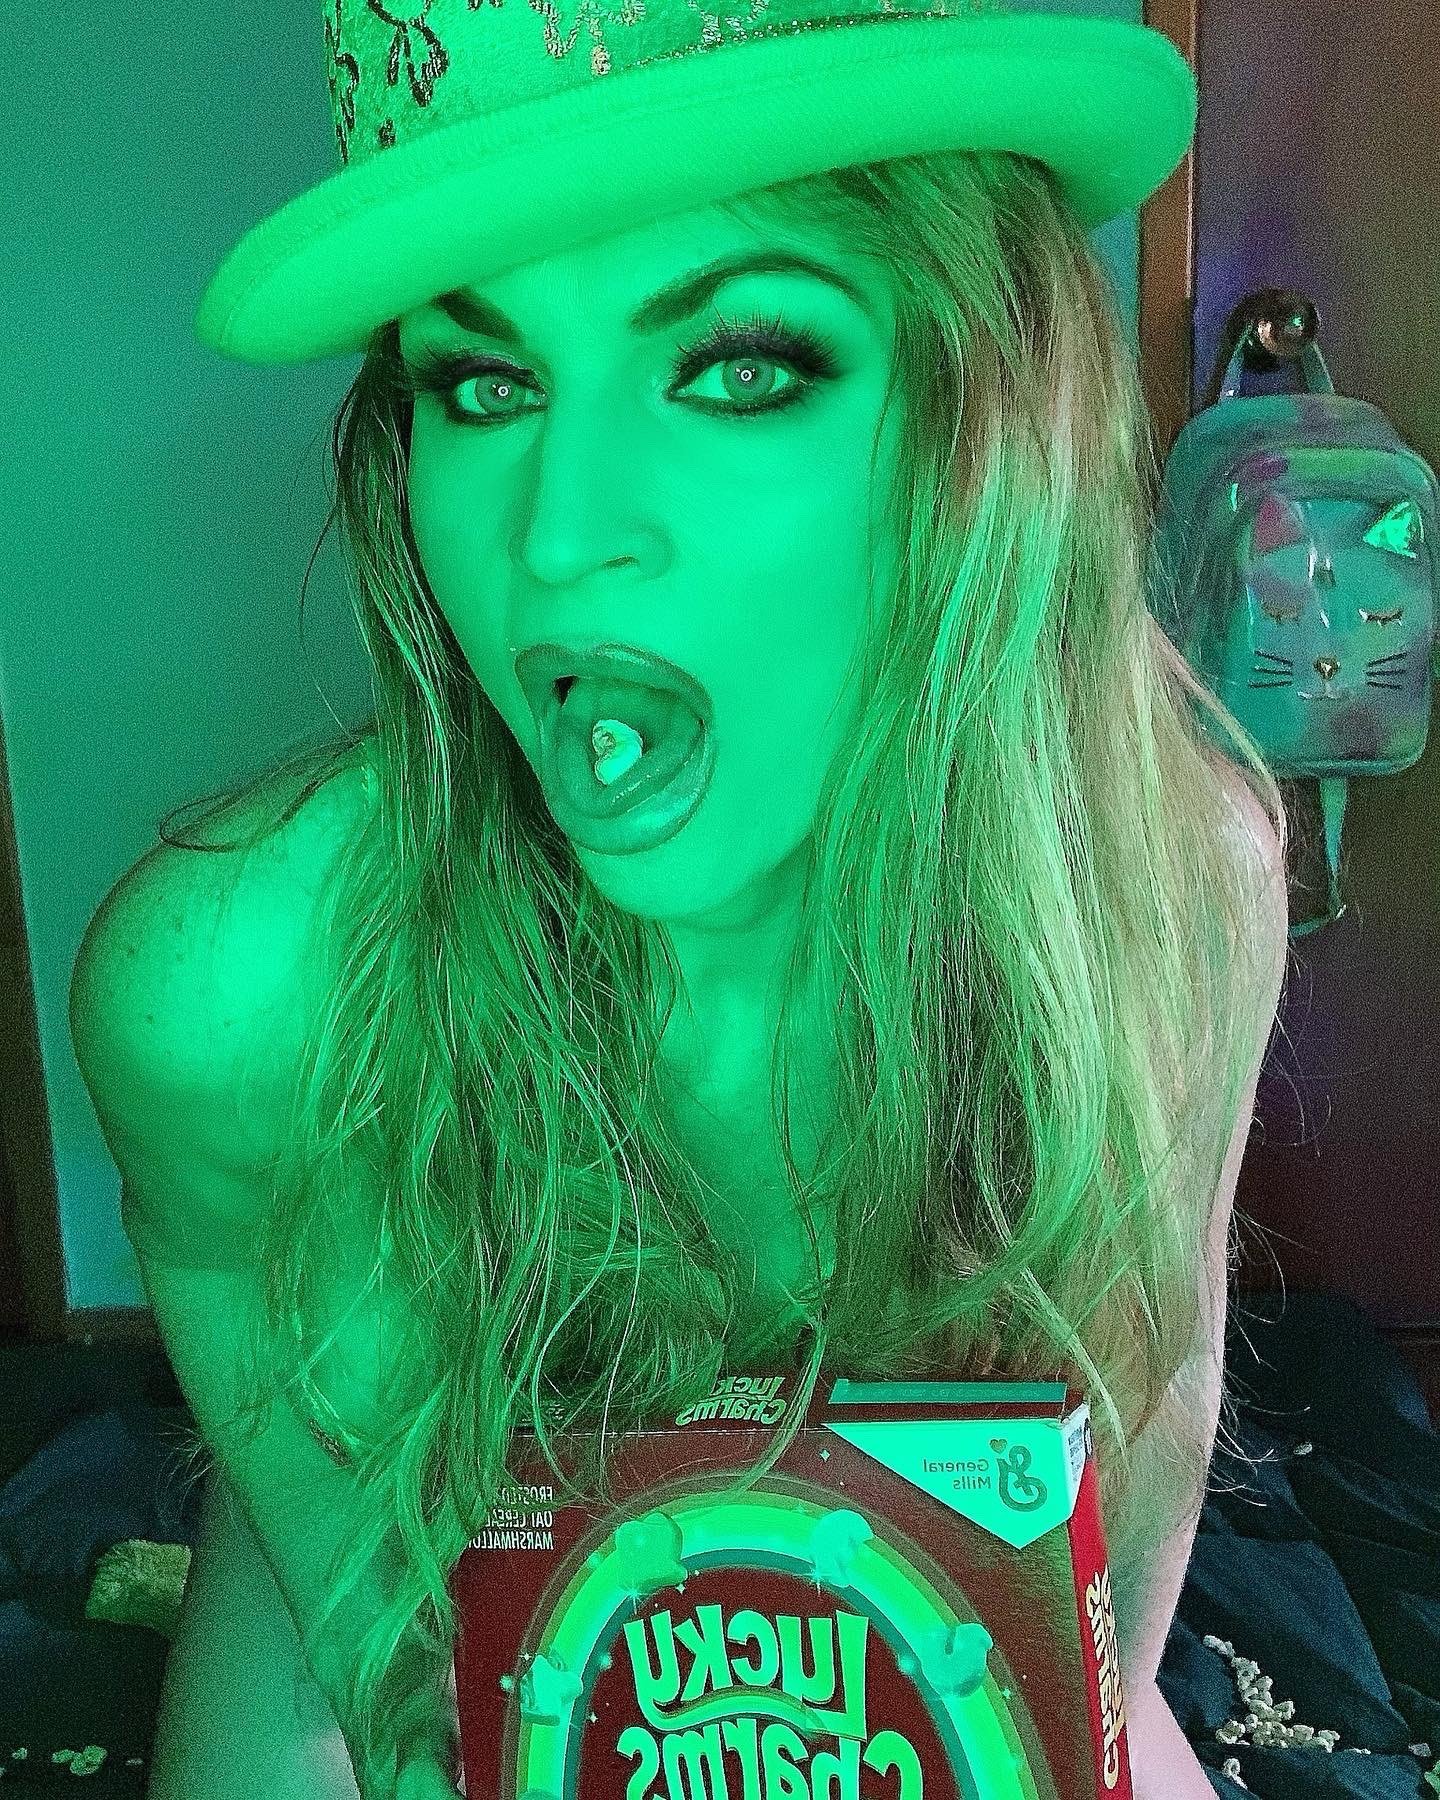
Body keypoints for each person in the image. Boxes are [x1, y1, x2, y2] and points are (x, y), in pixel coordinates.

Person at [68, 1, 1292, 1796]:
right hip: (418, 1641)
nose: (559, 535)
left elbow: (1120, 1522)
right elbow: (414, 1692)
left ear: (983, 425)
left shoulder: (1176, 882)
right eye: (483, 383)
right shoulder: (236, 992)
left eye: (737, 366)